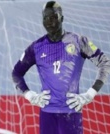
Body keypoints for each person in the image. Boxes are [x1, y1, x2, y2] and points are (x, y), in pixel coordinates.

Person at [12, 1, 110, 134]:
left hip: (71, 113)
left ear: (62, 18)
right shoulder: (36, 47)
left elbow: (104, 63)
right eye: (45, 18)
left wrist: (90, 94)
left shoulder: (78, 41)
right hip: (47, 114)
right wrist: (30, 95)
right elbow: (16, 73)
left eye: (53, 17)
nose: (49, 22)